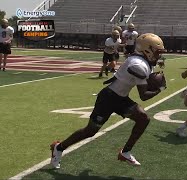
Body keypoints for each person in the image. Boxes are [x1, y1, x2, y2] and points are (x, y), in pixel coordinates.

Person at [51, 33, 166, 168]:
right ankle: (59, 147)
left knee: (143, 118)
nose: (158, 55)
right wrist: (160, 88)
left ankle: (126, 152)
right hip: (108, 98)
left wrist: (156, 67)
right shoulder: (138, 65)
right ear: (148, 50)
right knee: (90, 131)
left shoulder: (142, 60)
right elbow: (144, 95)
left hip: (121, 98)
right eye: (157, 52)